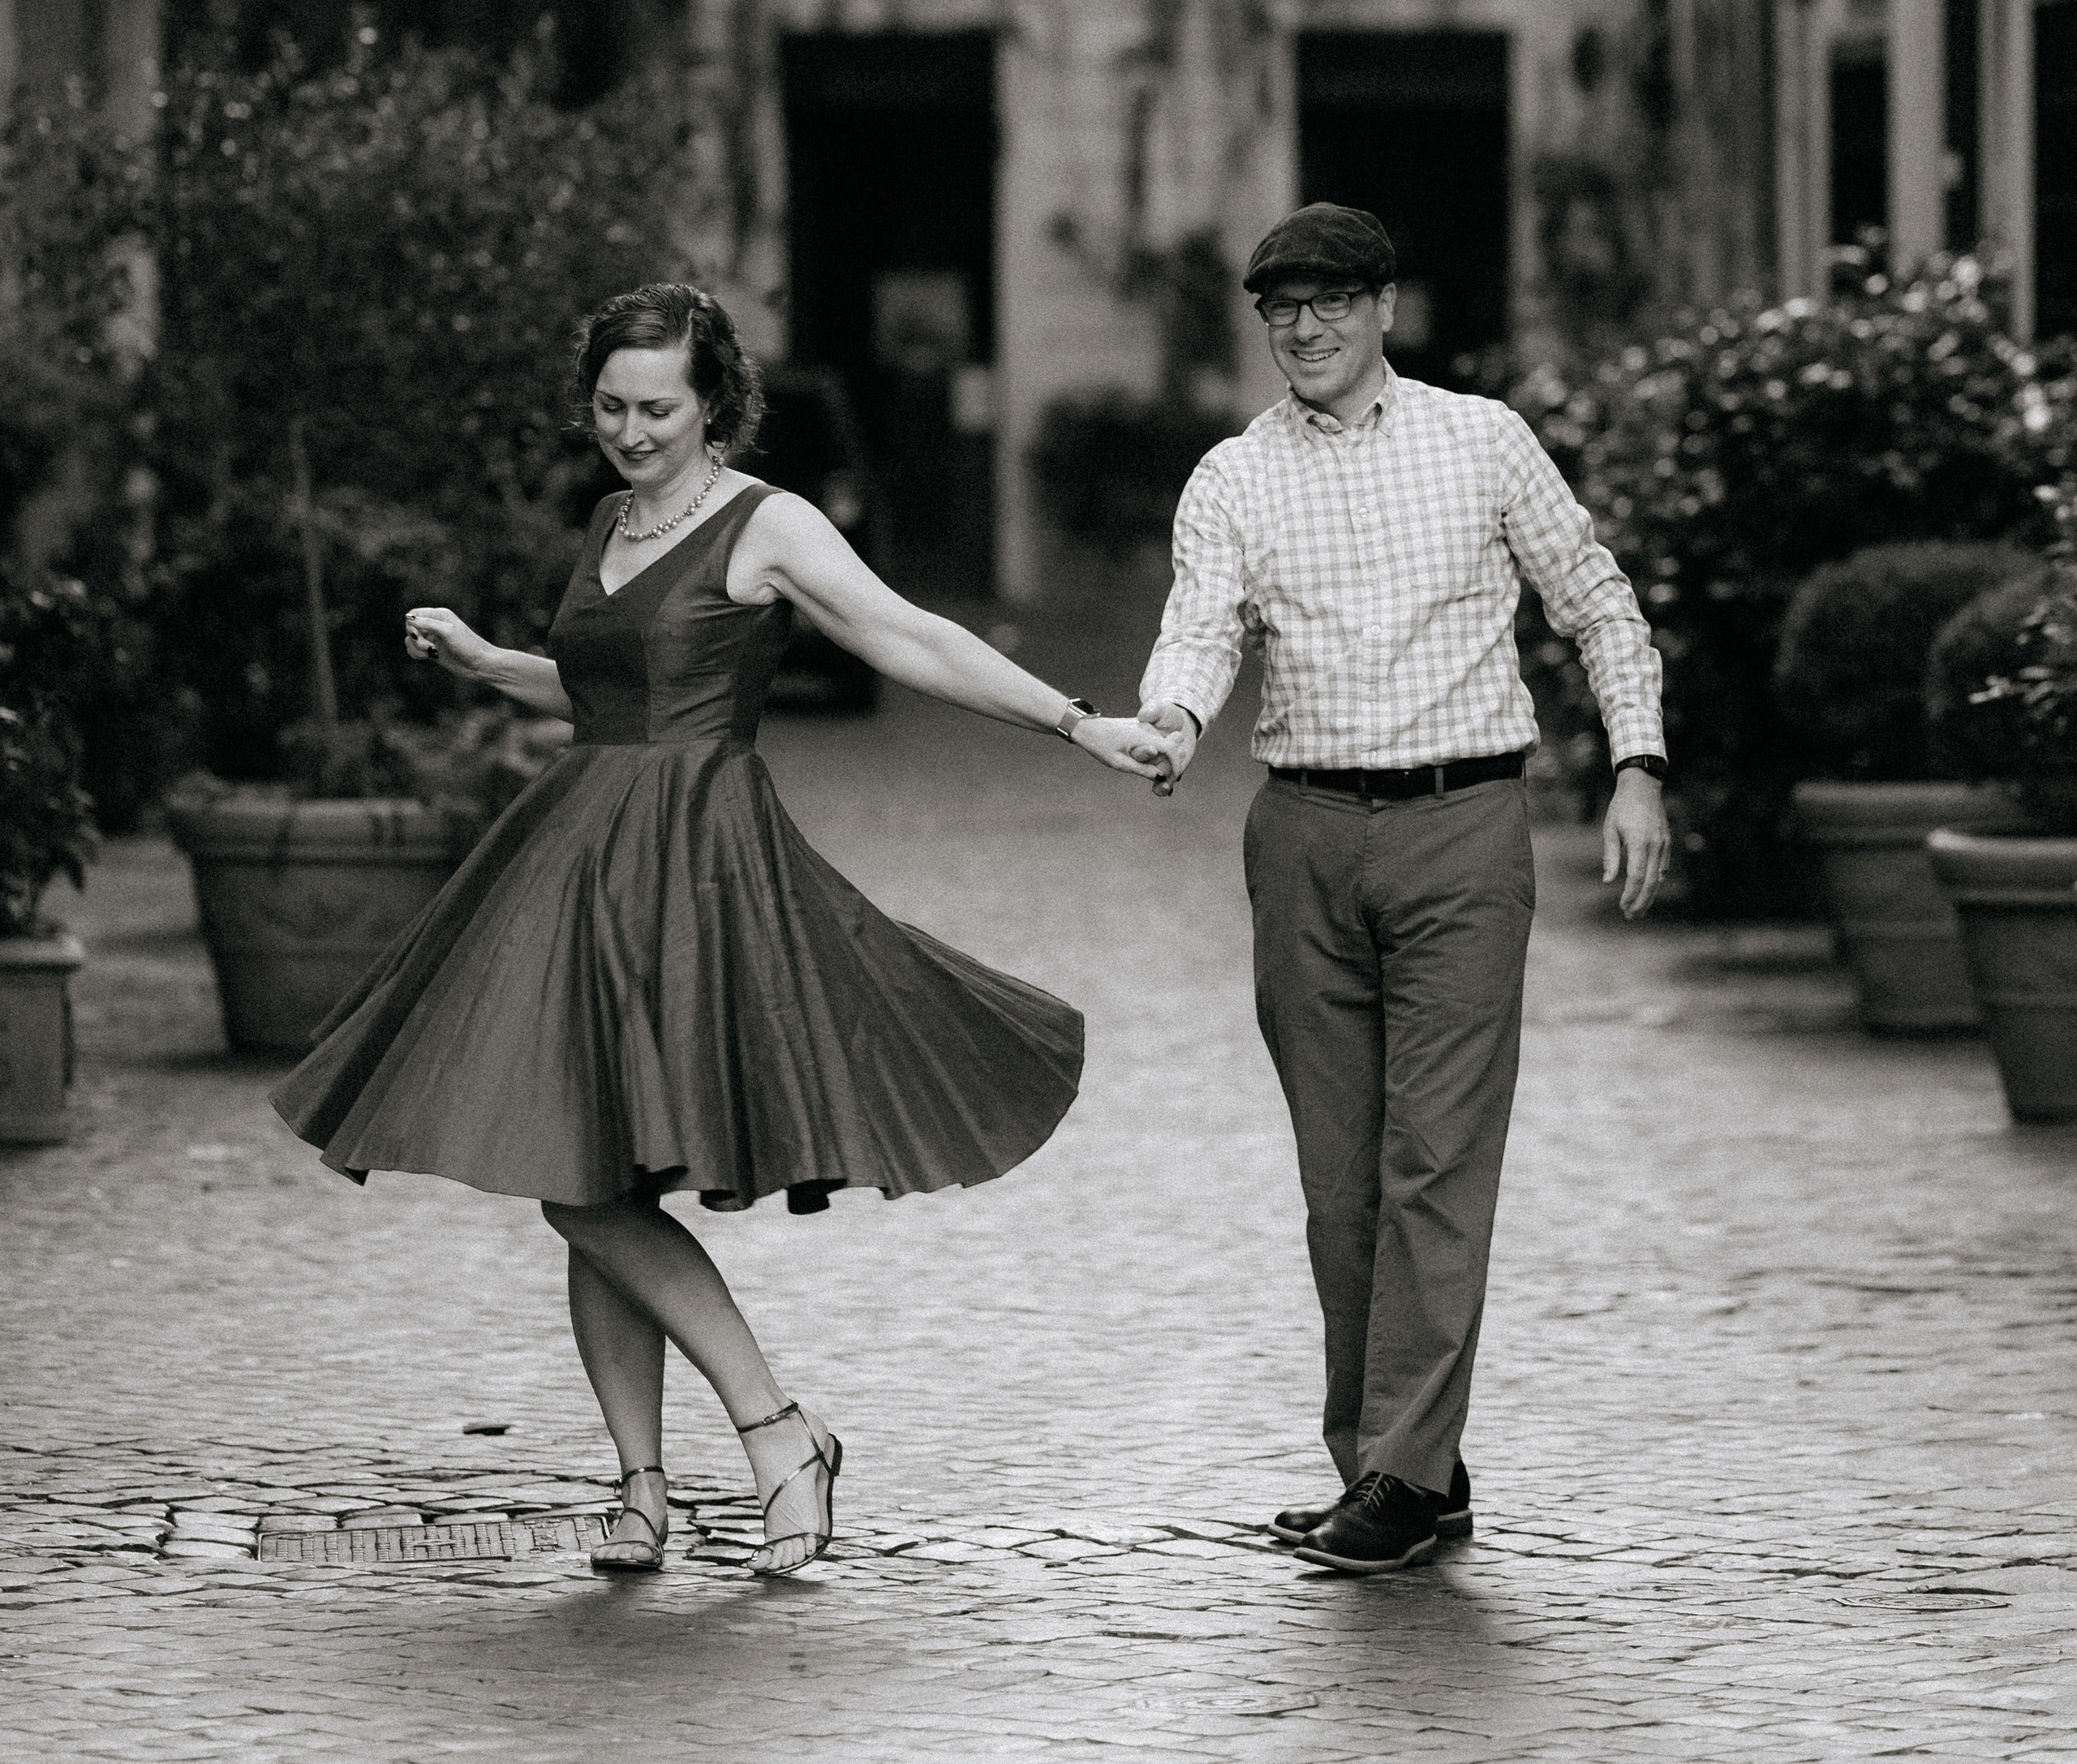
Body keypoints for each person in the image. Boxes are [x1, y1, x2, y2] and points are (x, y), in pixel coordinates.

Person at [272, 281, 1172, 1579]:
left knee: (584, 1189)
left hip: (693, 865)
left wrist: (1083, 725)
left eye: (657, 409)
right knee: (587, 1173)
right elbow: (606, 681)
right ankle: (639, 1490)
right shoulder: (608, 518)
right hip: (577, 855)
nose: (630, 432)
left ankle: (777, 1432)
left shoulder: (770, 523)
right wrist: (488, 663)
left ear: (714, 405)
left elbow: (905, 635)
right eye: (610, 407)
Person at [1136, 204, 1670, 1579]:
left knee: (1436, 1162)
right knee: (1341, 1184)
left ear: (1385, 307)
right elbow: (1199, 630)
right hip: (1304, 838)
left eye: (1328, 302)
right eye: (1280, 308)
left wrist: (1639, 765)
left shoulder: (1481, 442)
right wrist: (1172, 725)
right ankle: (1405, 1468)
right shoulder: (1233, 478)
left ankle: (1395, 1470)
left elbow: (1597, 600)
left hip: (1462, 833)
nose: (1302, 328)